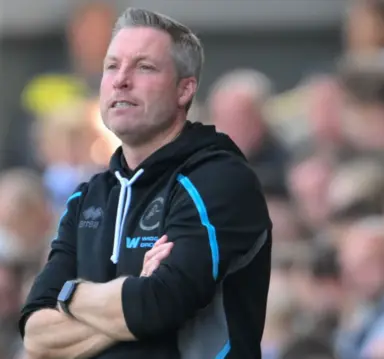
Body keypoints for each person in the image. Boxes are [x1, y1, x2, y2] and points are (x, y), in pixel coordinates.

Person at [19, 7, 272, 359]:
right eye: (112, 66)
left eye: (144, 67)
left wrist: (69, 295)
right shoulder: (88, 197)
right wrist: (131, 293)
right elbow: (36, 336)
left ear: (185, 90)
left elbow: (159, 305)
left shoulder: (219, 179)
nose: (121, 79)